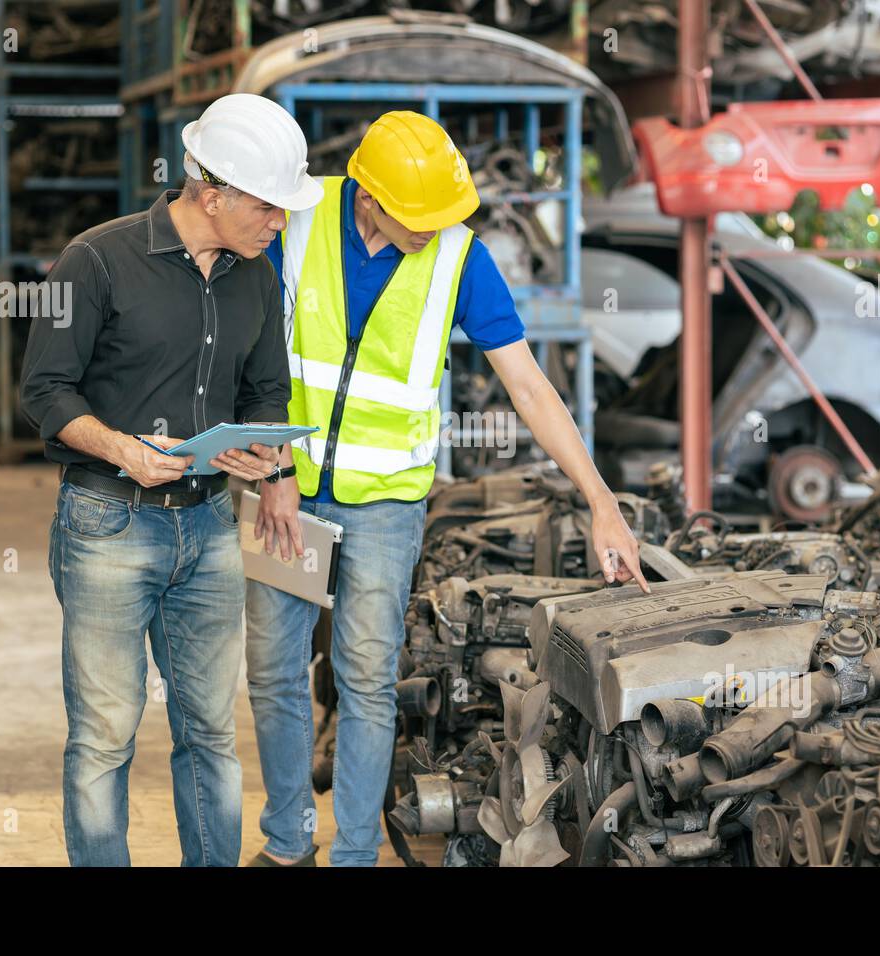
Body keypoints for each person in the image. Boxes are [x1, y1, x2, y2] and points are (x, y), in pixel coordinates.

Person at [245, 111, 649, 867]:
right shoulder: (294, 223)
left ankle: (356, 855)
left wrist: (602, 501)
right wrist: (271, 472)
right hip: (286, 491)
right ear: (366, 196)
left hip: (388, 504)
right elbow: (249, 353)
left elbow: (527, 386)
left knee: (365, 681)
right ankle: (288, 840)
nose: (433, 229)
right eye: (417, 217)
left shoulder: (461, 257)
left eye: (443, 216)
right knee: (273, 673)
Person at [19, 93, 322, 866]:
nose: (278, 223)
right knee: (105, 734)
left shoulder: (256, 276)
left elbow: (265, 392)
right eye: (267, 206)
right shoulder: (96, 259)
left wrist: (268, 463)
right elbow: (45, 392)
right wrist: (121, 448)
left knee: (211, 733)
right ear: (209, 192)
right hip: (108, 525)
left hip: (211, 525)